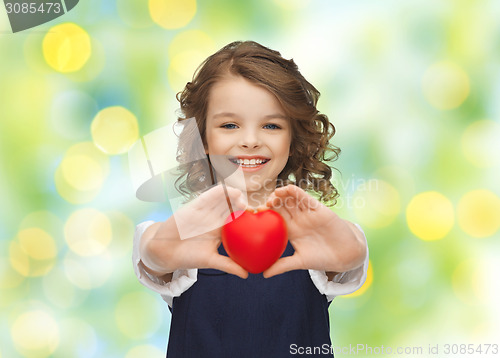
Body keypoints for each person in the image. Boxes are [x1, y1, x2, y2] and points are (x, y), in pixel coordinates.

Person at [132, 41, 369, 357]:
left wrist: (353, 252)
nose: (250, 140)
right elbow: (152, 252)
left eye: (271, 125)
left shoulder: (315, 235)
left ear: (292, 137)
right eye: (229, 125)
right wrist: (155, 253)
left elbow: (347, 249)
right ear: (201, 136)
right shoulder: (181, 235)